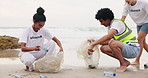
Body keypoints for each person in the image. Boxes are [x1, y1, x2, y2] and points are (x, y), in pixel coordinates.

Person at [88, 8, 140, 72]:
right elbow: (108, 41)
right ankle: (125, 62)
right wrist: (94, 42)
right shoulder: (111, 27)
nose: (101, 24)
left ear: (107, 19)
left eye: (101, 21)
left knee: (113, 43)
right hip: (125, 47)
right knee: (103, 48)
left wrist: (94, 44)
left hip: (133, 49)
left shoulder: (117, 23)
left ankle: (123, 65)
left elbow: (109, 37)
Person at [18, 7, 64, 71]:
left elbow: (56, 40)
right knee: (29, 60)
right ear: (34, 22)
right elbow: (23, 48)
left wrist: (61, 47)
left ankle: (48, 63)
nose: (41, 27)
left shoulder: (43, 30)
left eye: (43, 25)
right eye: (39, 25)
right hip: (28, 53)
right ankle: (29, 66)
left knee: (52, 43)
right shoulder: (27, 31)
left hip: (39, 51)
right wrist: (34, 48)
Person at [121, 0, 148, 65]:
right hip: (139, 24)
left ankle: (137, 60)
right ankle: (137, 60)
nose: (127, 1)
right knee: (143, 43)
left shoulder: (143, 3)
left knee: (139, 39)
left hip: (147, 22)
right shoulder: (126, 6)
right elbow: (123, 19)